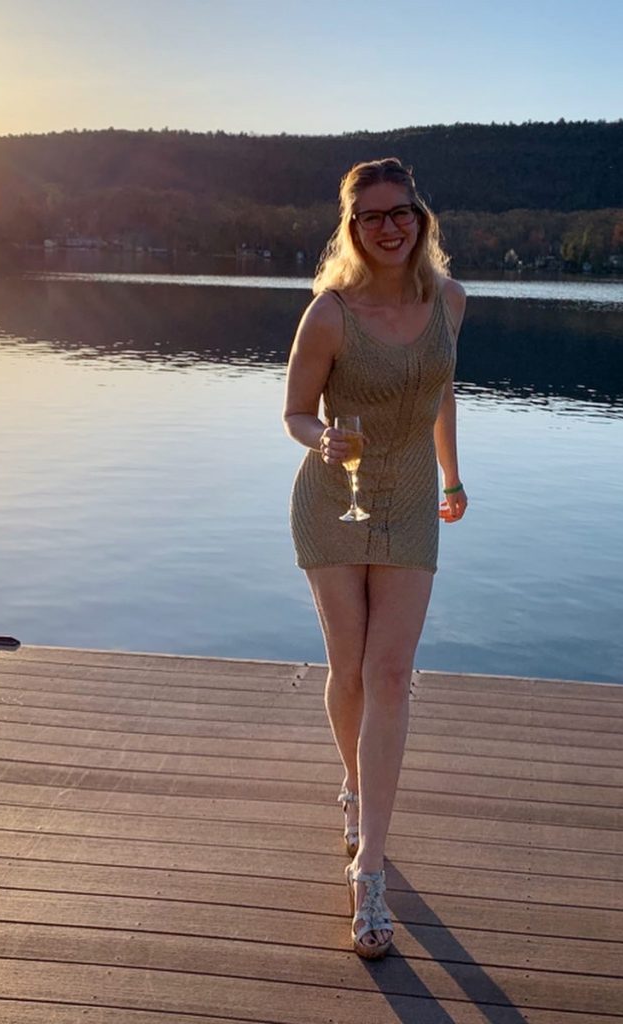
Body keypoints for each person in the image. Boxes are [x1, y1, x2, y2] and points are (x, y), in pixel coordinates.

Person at [282, 157, 468, 959]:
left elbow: (441, 389)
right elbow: (292, 410)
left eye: (402, 212)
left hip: (409, 502)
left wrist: (454, 476)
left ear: (421, 220)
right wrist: (319, 436)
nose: (389, 226)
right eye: (372, 216)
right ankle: (353, 790)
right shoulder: (330, 314)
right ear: (351, 228)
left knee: (391, 674)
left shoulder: (450, 302)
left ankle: (369, 870)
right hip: (334, 499)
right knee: (351, 671)